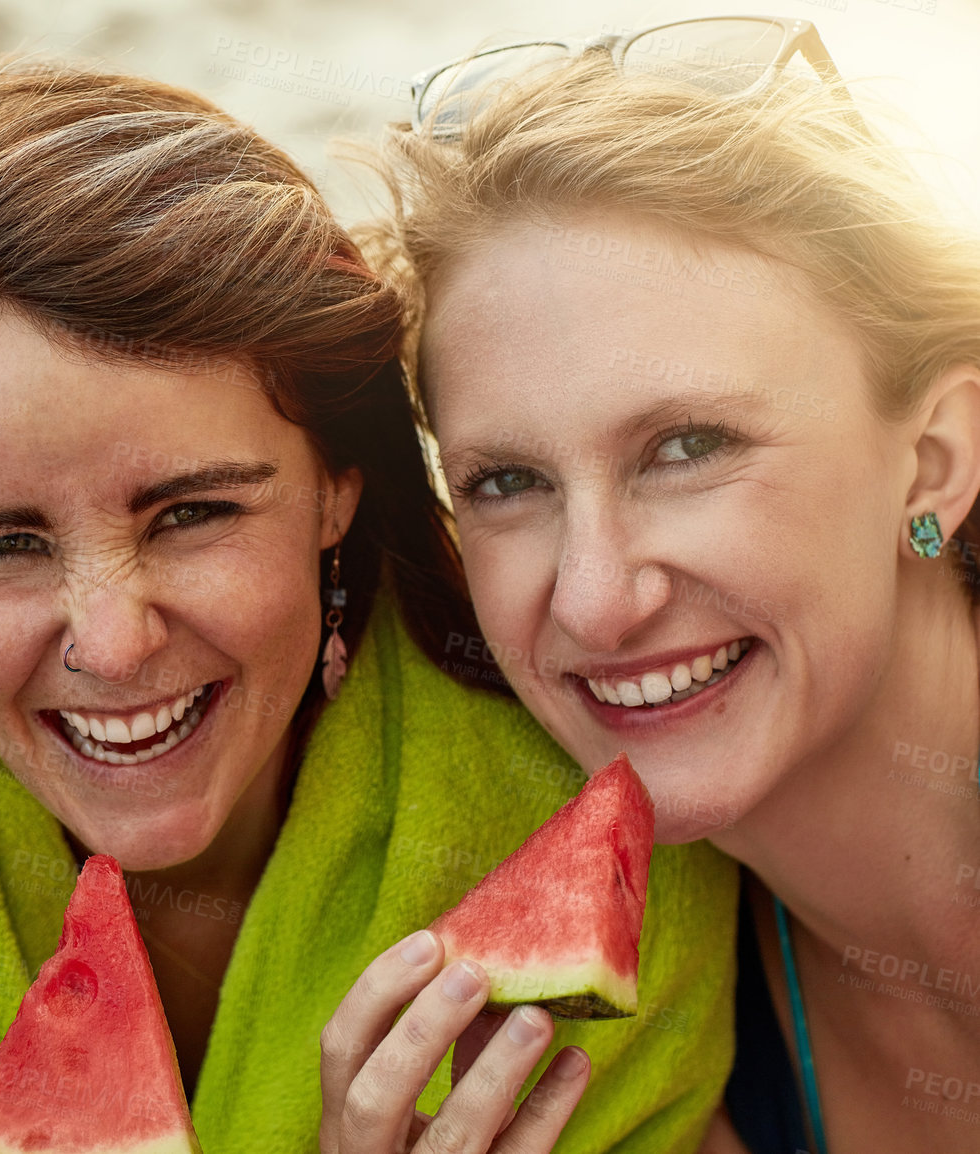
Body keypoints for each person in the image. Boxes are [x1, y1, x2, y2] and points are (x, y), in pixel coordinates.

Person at [0, 59, 740, 1154]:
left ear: (336, 488)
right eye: (2, 544)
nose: (113, 644)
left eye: (192, 514)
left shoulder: (585, 792)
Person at [377, 34, 980, 1154]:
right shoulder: (661, 1043)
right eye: (508, 482)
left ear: (936, 456)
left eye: (689, 446)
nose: (596, 601)